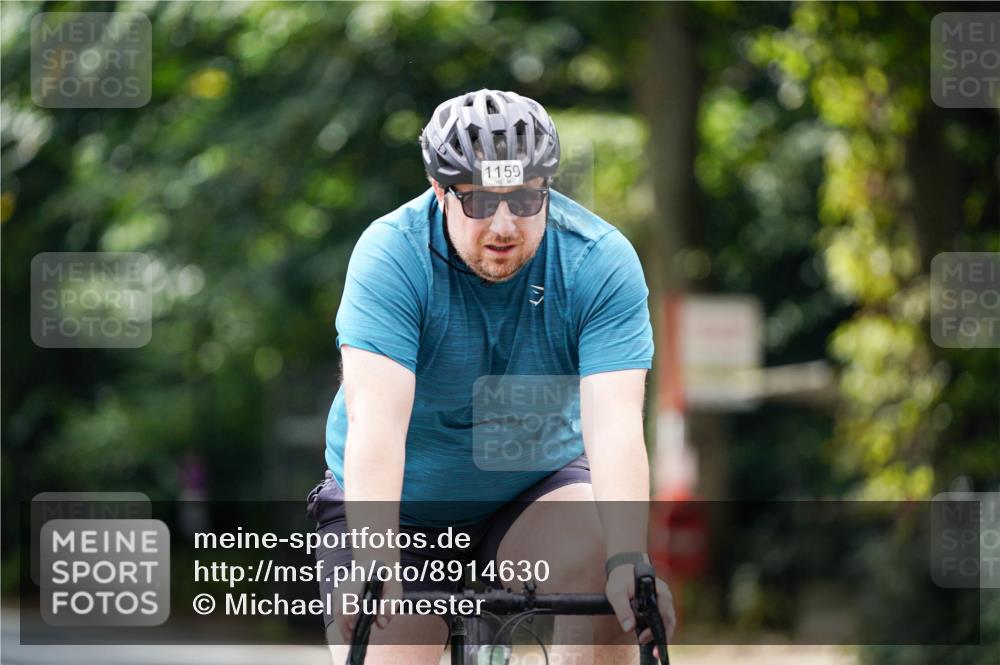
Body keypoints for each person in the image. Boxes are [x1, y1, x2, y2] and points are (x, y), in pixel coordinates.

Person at [307, 88, 675, 664]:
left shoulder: (598, 260)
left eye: (525, 198)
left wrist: (629, 559)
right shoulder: (392, 254)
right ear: (440, 191)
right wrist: (375, 558)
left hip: (530, 493)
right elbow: (375, 423)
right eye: (479, 201)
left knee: (612, 575)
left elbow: (616, 426)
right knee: (387, 634)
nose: (505, 225)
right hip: (399, 508)